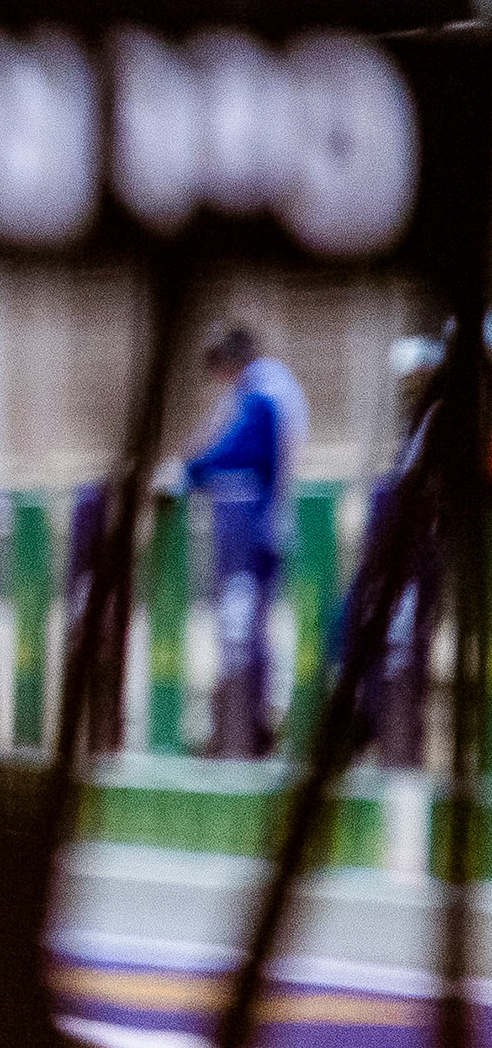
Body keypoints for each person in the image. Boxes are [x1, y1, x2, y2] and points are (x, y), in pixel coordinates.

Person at [179, 322, 307, 759]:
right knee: (248, 629)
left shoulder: (263, 392)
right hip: (263, 524)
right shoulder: (261, 388)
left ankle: (248, 731)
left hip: (257, 527)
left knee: (244, 628)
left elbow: (239, 449)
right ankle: (245, 727)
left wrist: (189, 471)